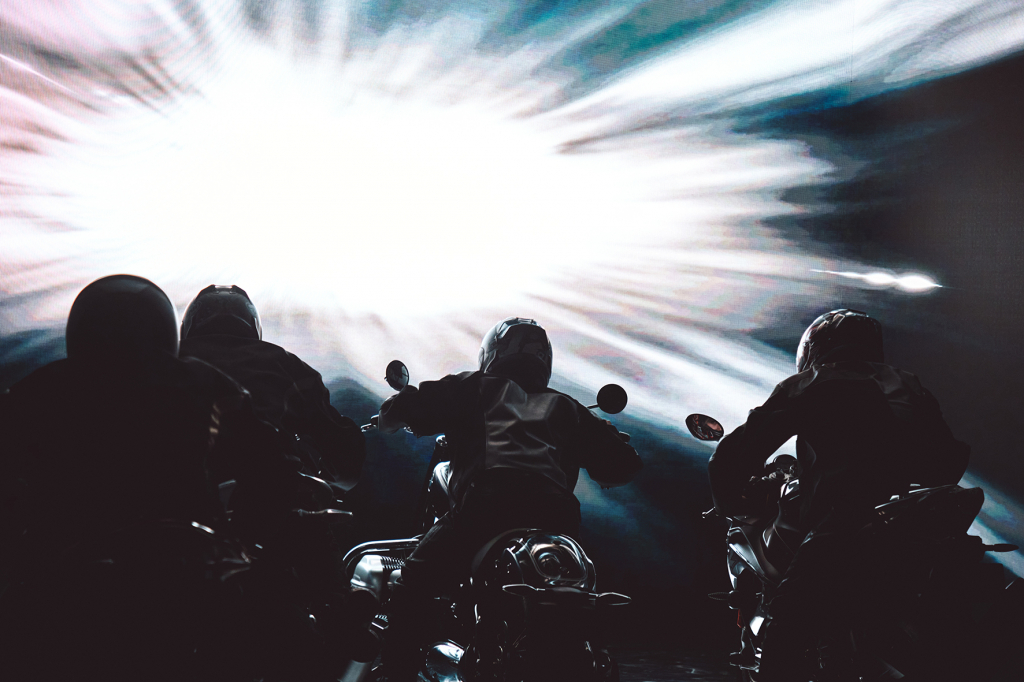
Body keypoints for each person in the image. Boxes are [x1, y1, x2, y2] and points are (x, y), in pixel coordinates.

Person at [707, 309, 970, 682]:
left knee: (789, 615)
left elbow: (736, 454)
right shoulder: (907, 383)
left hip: (847, 518)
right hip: (912, 518)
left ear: (817, 345)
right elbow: (948, 462)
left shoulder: (811, 382)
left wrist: (730, 502)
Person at [375, 316, 643, 682]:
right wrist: (607, 439)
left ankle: (396, 674)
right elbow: (624, 466)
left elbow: (407, 408)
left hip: (486, 510)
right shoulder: (566, 407)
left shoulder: (474, 386)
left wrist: (394, 409)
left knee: (413, 582)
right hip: (556, 519)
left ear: (494, 353)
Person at [178, 285, 365, 494]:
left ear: (189, 325)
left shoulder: (168, 360)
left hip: (173, 486)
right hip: (268, 493)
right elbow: (345, 463)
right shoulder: (286, 364)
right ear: (252, 324)